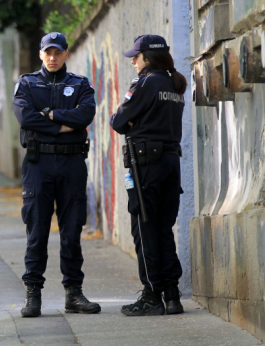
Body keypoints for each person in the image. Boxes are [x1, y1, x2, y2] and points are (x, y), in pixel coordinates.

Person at [12, 32, 100, 317]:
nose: (52, 57)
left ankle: (73, 293)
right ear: (41, 54)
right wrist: (63, 123)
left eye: (57, 52)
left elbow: (85, 115)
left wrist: (48, 116)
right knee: (36, 230)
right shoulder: (27, 83)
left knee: (72, 231)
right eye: (48, 52)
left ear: (65, 54)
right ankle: (33, 294)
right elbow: (26, 118)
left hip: (72, 162)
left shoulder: (80, 84)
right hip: (39, 163)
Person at [110, 35, 186, 316]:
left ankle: (152, 294)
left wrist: (131, 120)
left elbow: (118, 122)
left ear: (149, 58)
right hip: (169, 162)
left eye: (136, 57)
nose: (133, 61)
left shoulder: (147, 82)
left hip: (147, 166)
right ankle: (172, 294)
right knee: (163, 228)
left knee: (144, 229)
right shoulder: (174, 83)